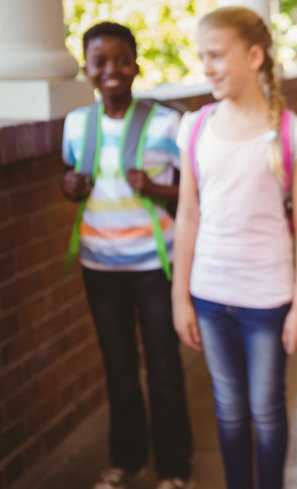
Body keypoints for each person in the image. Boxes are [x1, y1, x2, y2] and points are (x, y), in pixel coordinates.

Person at [171, 7, 297, 489]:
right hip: (210, 294)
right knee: (229, 408)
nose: (207, 67)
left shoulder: (293, 132)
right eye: (202, 57)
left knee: (266, 408)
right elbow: (188, 215)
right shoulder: (194, 128)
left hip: (268, 297)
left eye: (217, 55)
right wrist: (180, 298)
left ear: (254, 56)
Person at [61, 21, 193, 489]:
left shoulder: (165, 122)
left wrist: (156, 187)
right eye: (100, 62)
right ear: (87, 69)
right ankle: (127, 459)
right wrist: (69, 187)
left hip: (156, 265)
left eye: (122, 60)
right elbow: (74, 179)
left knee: (163, 367)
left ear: (136, 64)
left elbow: (191, 192)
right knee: (118, 369)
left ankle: (175, 470)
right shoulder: (78, 124)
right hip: (100, 265)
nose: (111, 70)